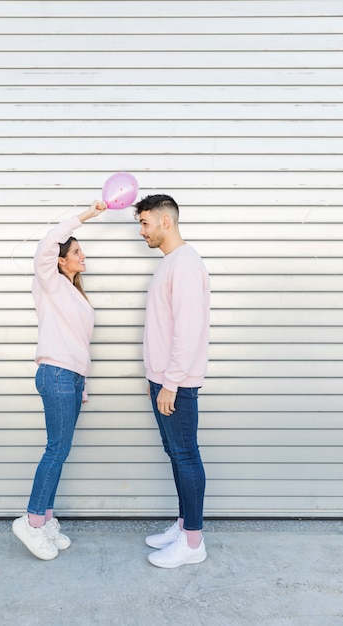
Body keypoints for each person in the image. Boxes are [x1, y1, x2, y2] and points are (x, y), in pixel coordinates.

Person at [12, 200, 107, 560]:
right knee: (56, 450)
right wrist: (85, 216)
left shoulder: (73, 292)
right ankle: (33, 522)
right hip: (55, 374)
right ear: (61, 259)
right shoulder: (49, 282)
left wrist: (83, 385)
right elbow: (48, 242)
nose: (84, 257)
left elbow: (79, 343)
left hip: (71, 378)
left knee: (59, 451)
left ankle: (45, 519)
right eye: (78, 251)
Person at [134, 194, 211, 569]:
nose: (141, 232)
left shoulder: (184, 264)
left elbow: (189, 327)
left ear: (166, 221)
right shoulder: (170, 263)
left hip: (174, 383)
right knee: (177, 455)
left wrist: (172, 382)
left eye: (145, 223)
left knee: (185, 455)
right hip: (162, 379)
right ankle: (183, 527)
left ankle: (193, 542)